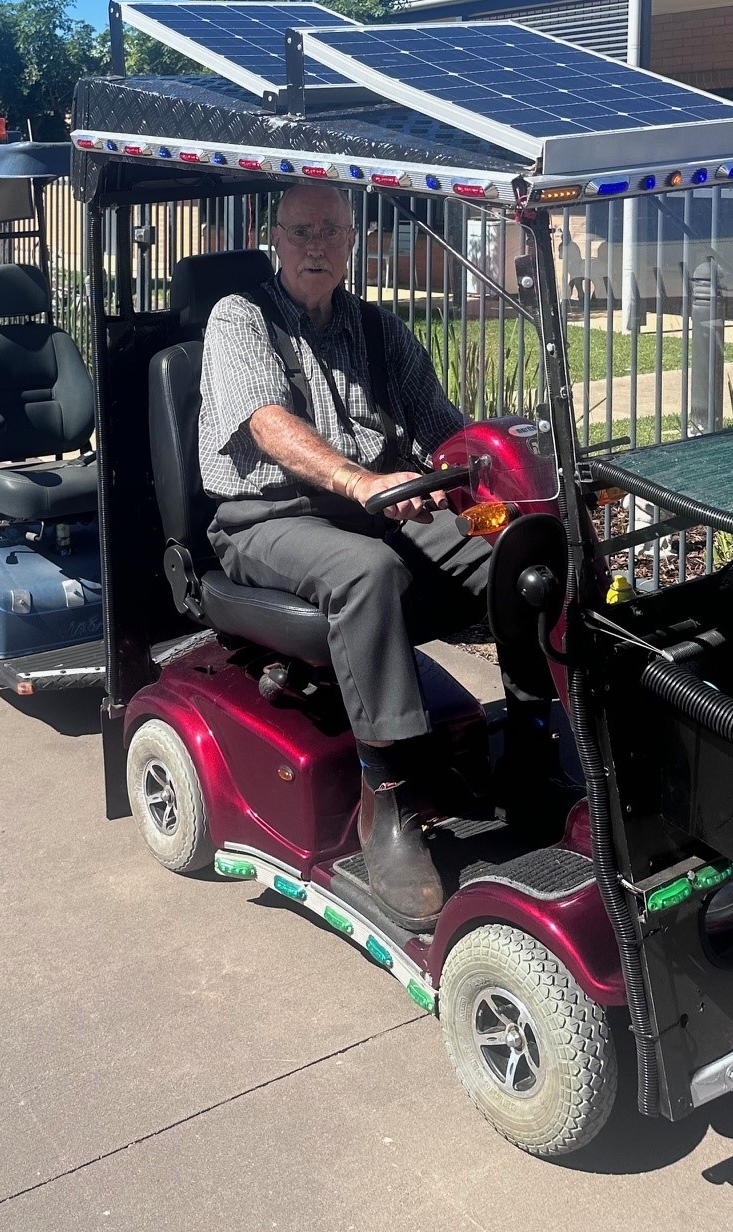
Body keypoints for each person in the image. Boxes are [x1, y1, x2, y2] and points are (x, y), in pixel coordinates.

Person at [198, 180, 554, 932]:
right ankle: (386, 799)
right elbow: (266, 424)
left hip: (377, 507)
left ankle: (530, 744)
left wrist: (483, 481)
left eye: (331, 230)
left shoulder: (381, 330)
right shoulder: (240, 317)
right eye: (301, 232)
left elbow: (444, 429)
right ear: (275, 238)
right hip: (267, 519)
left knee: (517, 549)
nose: (316, 246)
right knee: (370, 572)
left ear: (353, 239)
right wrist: (362, 483)